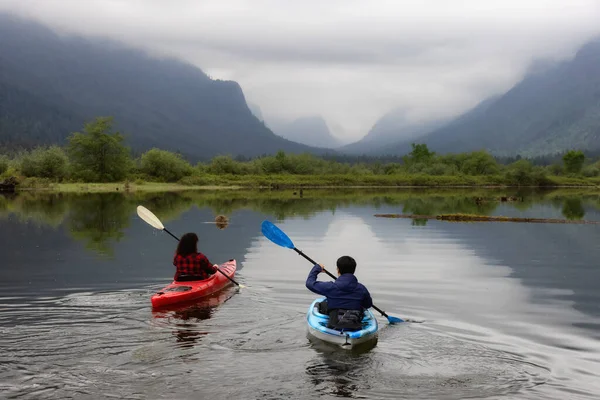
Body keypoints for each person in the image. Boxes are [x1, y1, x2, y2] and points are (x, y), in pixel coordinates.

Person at [305, 255, 373, 331]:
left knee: (321, 305)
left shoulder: (330, 287)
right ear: (353, 270)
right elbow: (368, 305)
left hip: (334, 328)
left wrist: (317, 268)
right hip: (355, 328)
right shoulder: (362, 289)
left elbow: (310, 283)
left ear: (338, 270)